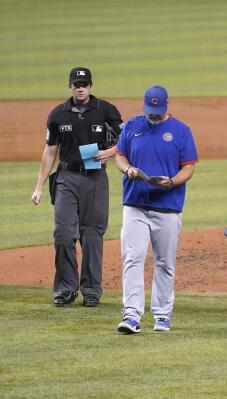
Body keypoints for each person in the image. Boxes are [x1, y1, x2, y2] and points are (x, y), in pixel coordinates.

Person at [31, 67, 122, 308]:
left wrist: (109, 152)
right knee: (63, 234)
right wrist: (39, 186)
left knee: (92, 234)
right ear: (70, 86)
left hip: (95, 179)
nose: (80, 88)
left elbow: (125, 142)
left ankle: (91, 290)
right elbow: (50, 151)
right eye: (76, 84)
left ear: (91, 86)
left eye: (84, 84)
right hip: (67, 178)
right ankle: (65, 289)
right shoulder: (58, 115)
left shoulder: (107, 111)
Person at [115, 85, 198, 334]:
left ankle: (162, 315)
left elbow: (188, 167)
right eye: (150, 111)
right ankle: (131, 315)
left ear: (166, 105)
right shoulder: (131, 126)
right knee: (133, 258)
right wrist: (127, 169)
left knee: (165, 262)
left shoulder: (181, 131)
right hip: (135, 205)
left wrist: (172, 181)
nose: (153, 115)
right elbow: (119, 156)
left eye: (157, 111)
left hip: (167, 207)